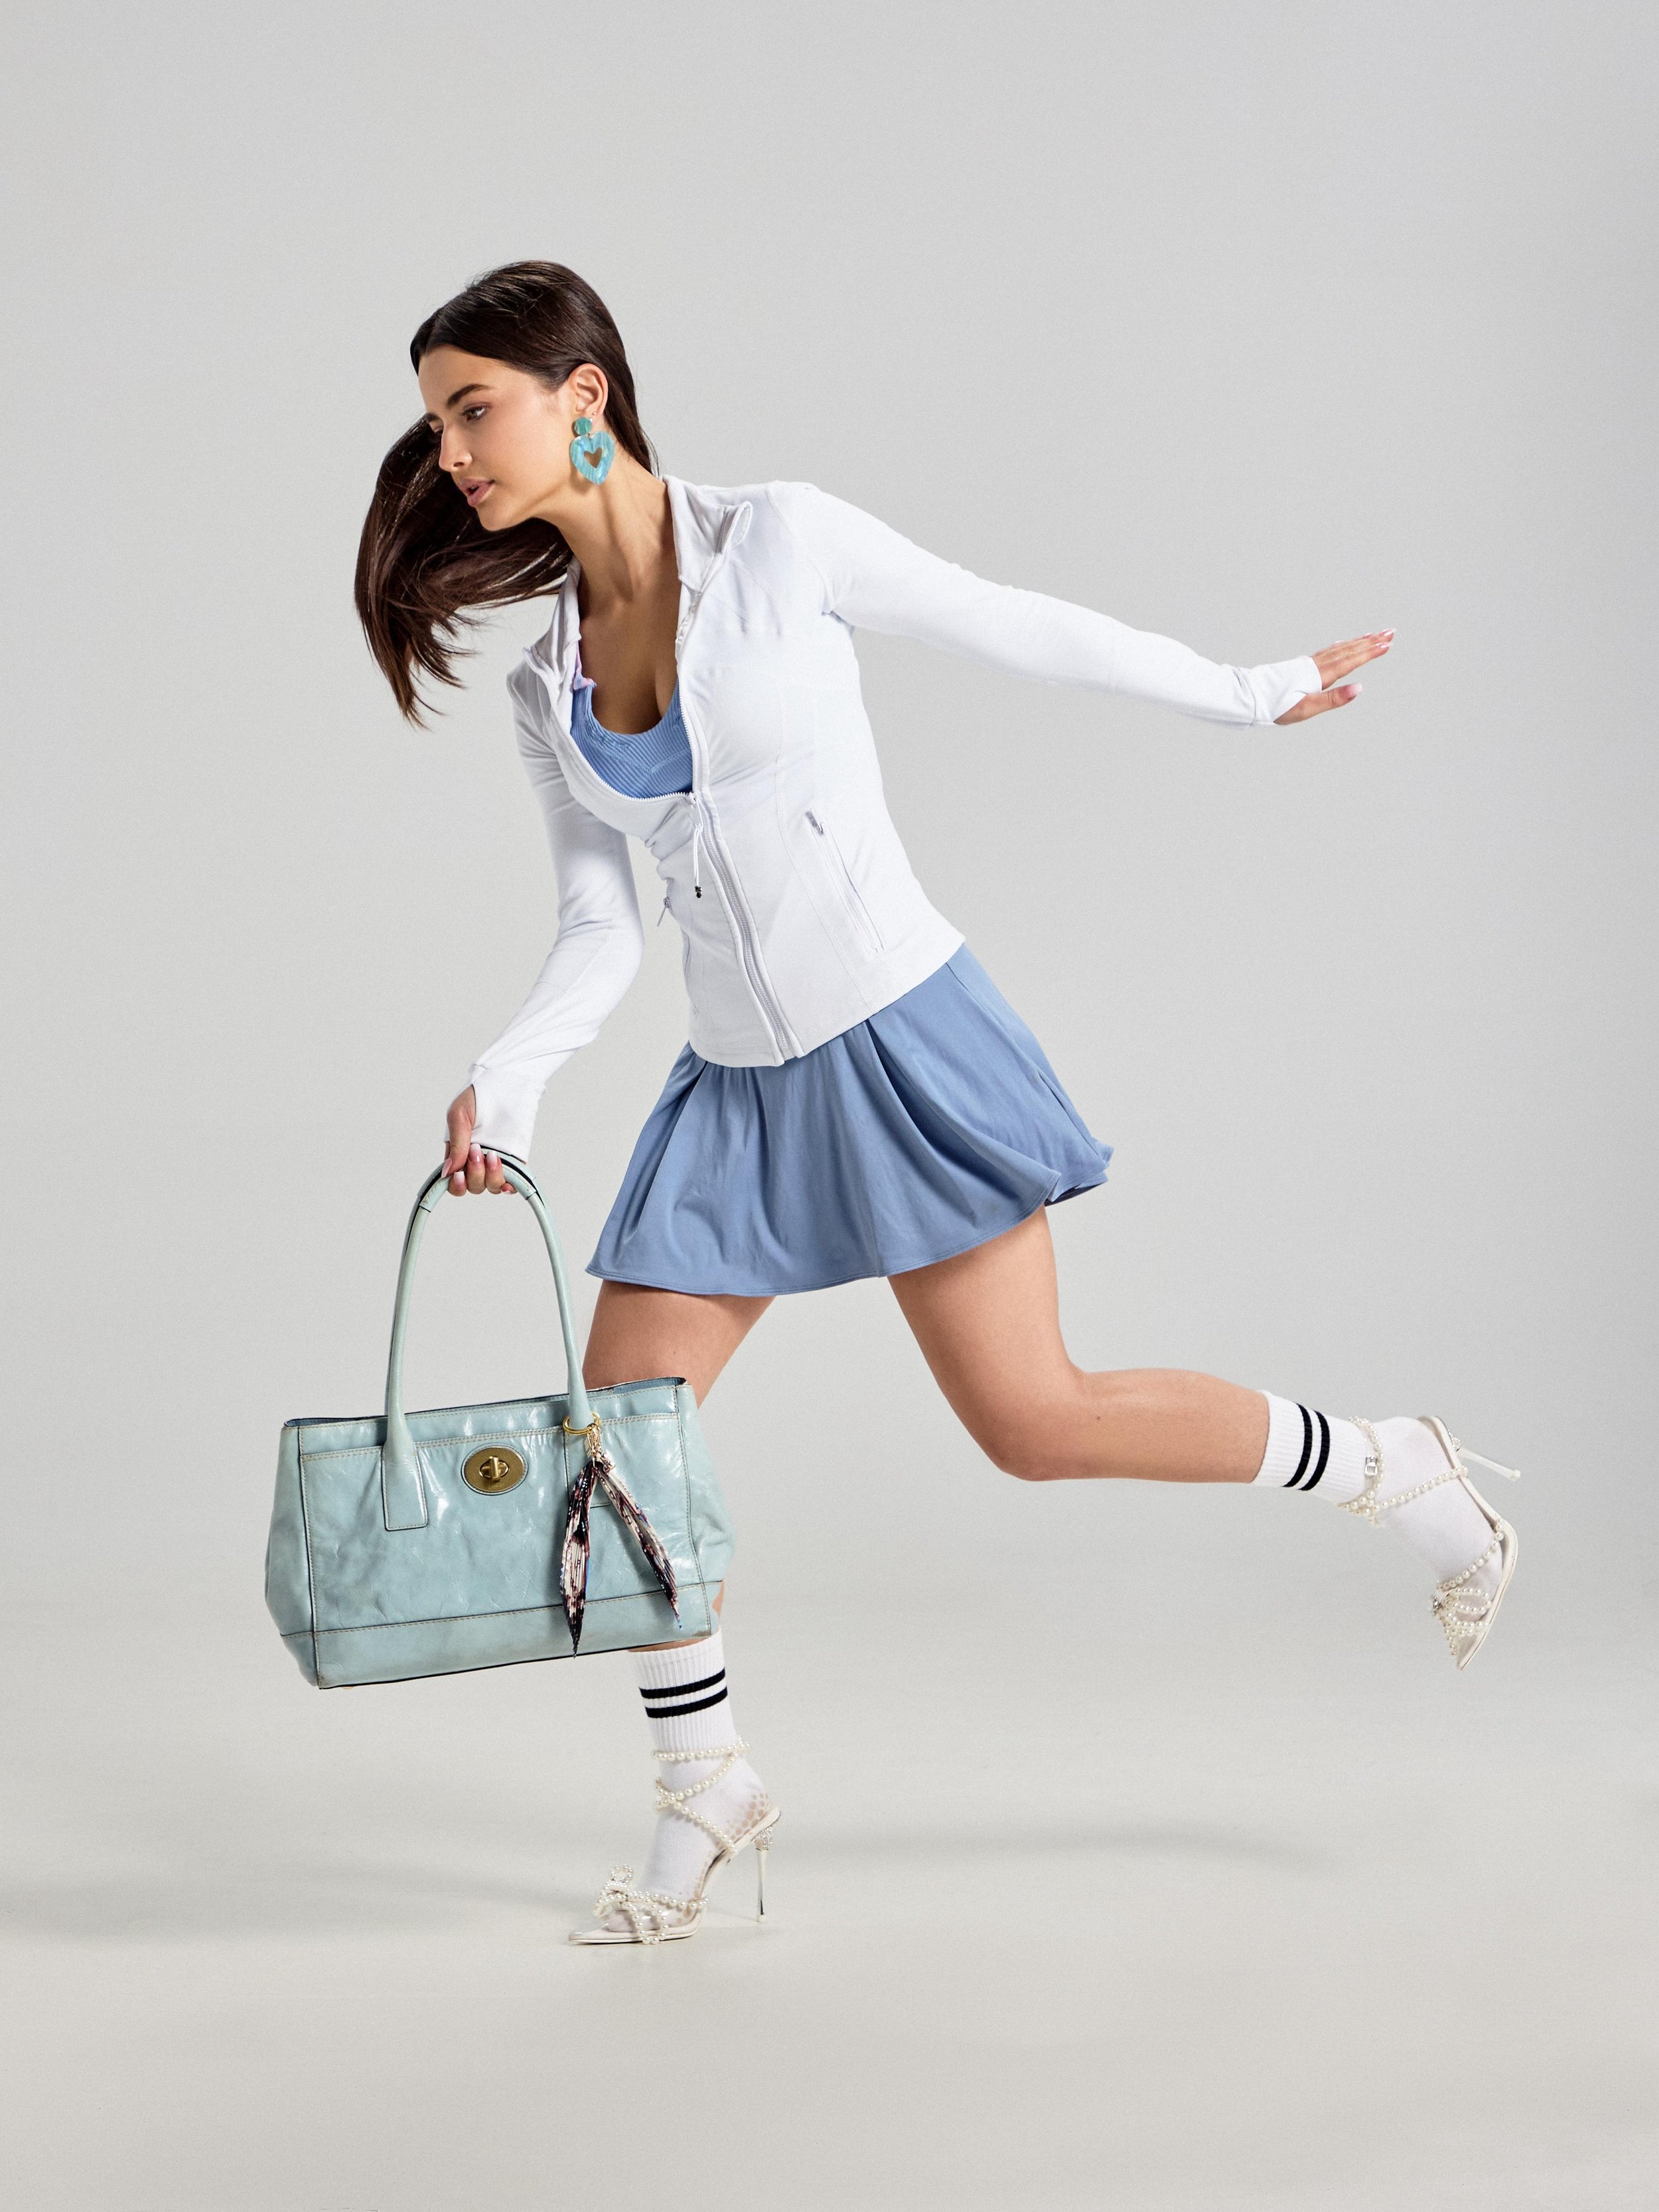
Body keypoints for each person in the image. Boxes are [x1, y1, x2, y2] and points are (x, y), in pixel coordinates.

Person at [355, 259, 1520, 1948]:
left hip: (900, 1038)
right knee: (617, 1450)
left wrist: (1246, 685)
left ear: (582, 394)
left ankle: (1392, 1464)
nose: (451, 450)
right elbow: (600, 926)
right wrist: (508, 1085)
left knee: (1035, 1422)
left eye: (473, 408)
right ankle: (705, 1787)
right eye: (436, 422)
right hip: (736, 1091)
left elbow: (1009, 620)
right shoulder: (547, 682)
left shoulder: (779, 540)